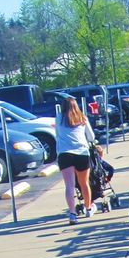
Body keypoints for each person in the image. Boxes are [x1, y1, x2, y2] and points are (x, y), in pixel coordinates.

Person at [55, 96, 100, 225]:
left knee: (69, 185)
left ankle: (73, 213)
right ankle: (88, 208)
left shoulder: (59, 118)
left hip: (65, 153)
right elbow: (91, 137)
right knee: (84, 183)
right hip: (81, 152)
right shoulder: (82, 118)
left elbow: (57, 134)